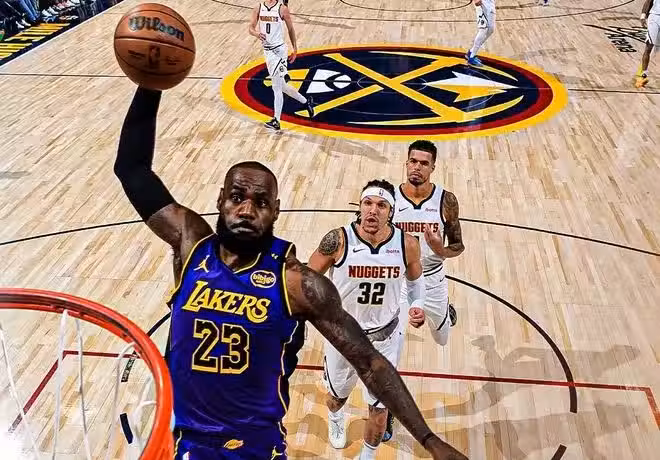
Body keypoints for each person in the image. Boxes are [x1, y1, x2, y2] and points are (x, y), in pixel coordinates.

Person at [113, 87, 469, 460]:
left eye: (261, 202)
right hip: (181, 439)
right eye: (237, 197)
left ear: (276, 211)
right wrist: (150, 85)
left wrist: (430, 440)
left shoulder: (297, 283)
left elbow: (371, 362)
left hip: (253, 447)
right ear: (220, 200)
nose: (247, 210)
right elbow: (132, 170)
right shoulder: (192, 247)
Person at [307, 180, 426, 459]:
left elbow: (415, 280)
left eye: (381, 205)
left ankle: (367, 456)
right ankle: (336, 417)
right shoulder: (338, 241)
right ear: (360, 207)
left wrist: (417, 304)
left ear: (391, 212)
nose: (373, 210)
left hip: (385, 340)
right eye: (368, 203)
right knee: (336, 397)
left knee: (380, 408)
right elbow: (307, 278)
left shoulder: (407, 244)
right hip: (343, 337)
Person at [384, 140, 465, 442]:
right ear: (406, 163)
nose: (417, 167)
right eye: (413, 161)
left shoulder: (446, 200)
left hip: (432, 279)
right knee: (390, 350)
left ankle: (445, 313)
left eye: (423, 163)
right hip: (398, 282)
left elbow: (458, 246)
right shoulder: (388, 199)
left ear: (433, 167)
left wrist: (439, 249)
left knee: (442, 338)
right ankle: (385, 410)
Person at [248, 0, 314, 131]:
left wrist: (295, 49)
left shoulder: (282, 9)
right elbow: (250, 28)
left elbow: (290, 29)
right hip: (267, 52)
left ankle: (276, 121)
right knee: (282, 86)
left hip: (279, 51)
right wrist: (256, 34)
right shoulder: (258, 7)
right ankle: (306, 102)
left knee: (276, 87)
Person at [635, 0, 659, 88]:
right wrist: (643, 15)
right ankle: (643, 75)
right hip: (655, 17)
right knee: (649, 46)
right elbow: (648, 1)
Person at [465, 0, 495, 67]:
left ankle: (471, 52)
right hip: (482, 5)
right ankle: (472, 57)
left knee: (491, 29)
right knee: (483, 29)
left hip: (490, 4)